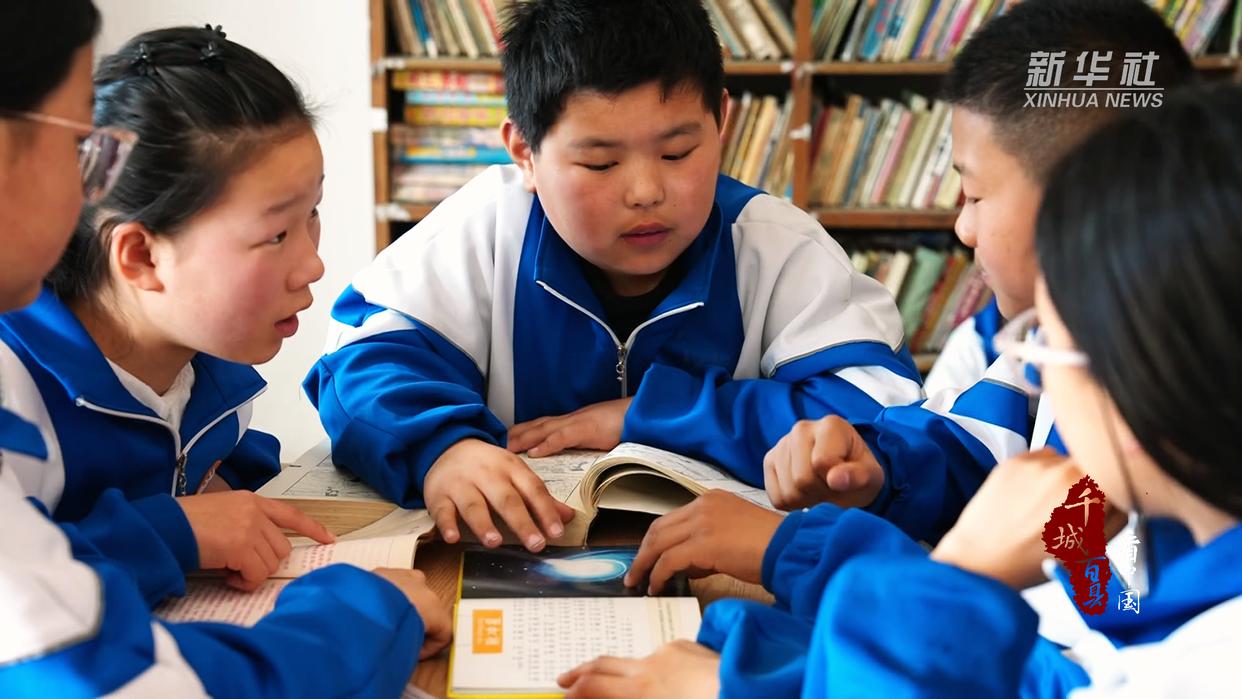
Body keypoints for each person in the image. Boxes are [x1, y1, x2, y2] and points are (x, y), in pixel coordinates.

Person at [561, 79, 1242, 699]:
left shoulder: (1202, 656)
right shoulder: (1165, 531)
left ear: (1140, 384)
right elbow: (1070, 655)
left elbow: (1074, 648)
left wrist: (960, 573)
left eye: (1045, 346)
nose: (1034, 371)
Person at [305, 0, 921, 553]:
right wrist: (442, 449)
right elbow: (361, 360)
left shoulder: (776, 247)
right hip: (517, 555)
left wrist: (650, 414)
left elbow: (880, 412)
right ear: (524, 153)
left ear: (722, 120)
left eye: (677, 153)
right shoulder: (485, 231)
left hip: (729, 569)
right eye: (600, 162)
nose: (646, 191)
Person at [0, 8, 449, 696]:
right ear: (141, 255)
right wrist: (370, 614)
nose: (314, 265)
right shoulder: (19, 394)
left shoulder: (209, 369)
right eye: (275, 236)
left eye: (313, 214)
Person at [761, 0, 1195, 544]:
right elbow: (975, 447)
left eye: (974, 194)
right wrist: (879, 467)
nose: (963, 229)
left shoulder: (1175, 392)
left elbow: (1083, 585)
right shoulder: (1057, 336)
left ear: (1082, 198)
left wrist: (797, 559)